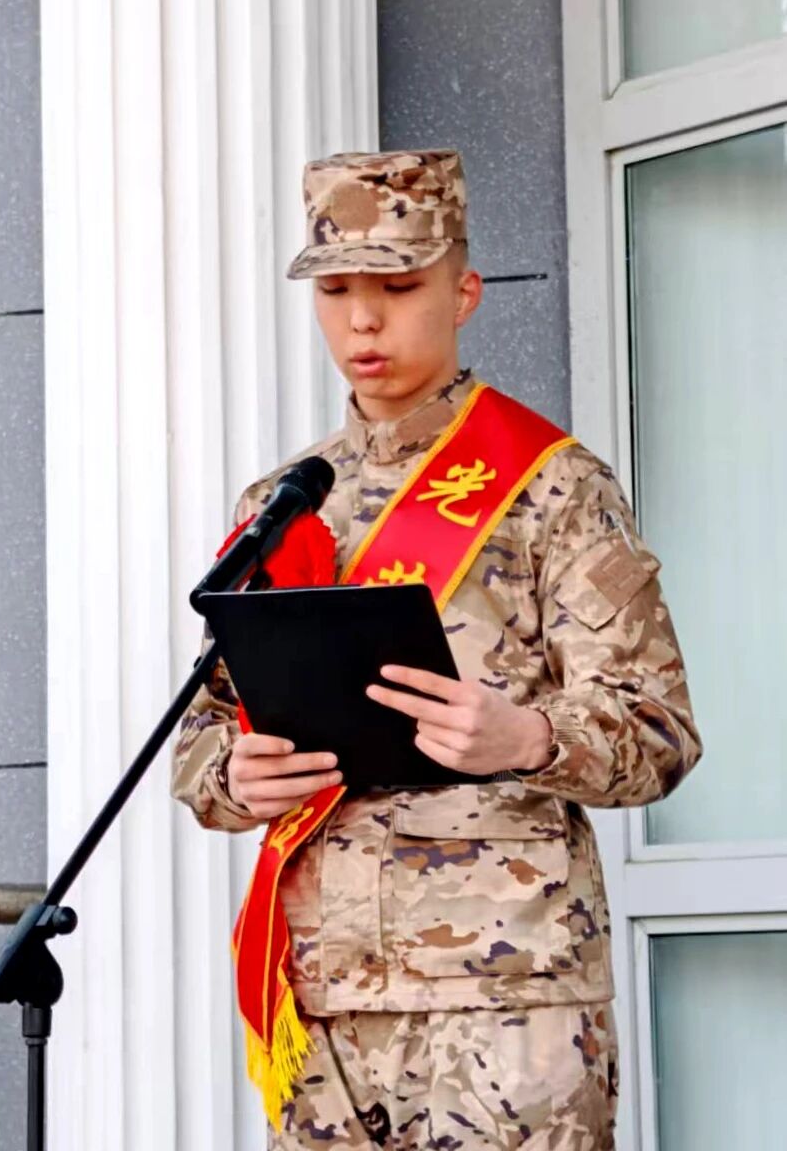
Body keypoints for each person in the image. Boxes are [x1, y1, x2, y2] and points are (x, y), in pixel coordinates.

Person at [172, 149, 701, 1150]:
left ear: (463, 292)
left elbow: (659, 729)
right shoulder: (283, 502)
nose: (363, 322)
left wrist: (528, 737)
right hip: (324, 995)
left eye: (399, 287)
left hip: (507, 994)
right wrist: (232, 775)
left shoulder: (553, 486)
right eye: (336, 292)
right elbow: (203, 728)